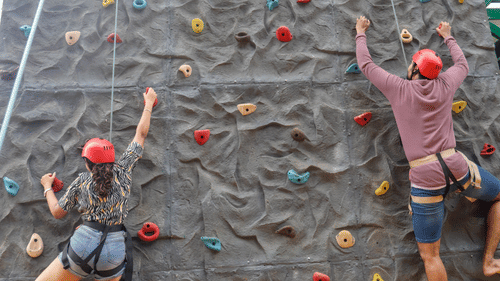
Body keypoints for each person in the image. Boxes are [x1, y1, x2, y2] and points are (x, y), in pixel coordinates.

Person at [355, 16, 500, 280]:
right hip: (457, 166)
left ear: (413, 70)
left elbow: (366, 64)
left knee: (431, 255)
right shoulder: (445, 85)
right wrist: (448, 36)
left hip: (426, 178)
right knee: (498, 195)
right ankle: (489, 261)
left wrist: (360, 32)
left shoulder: (399, 88)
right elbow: (462, 64)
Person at [36, 87, 158, 281]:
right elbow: (140, 135)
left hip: (82, 246)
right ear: (112, 158)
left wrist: (47, 186)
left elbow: (58, 212)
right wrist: (149, 104)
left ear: (87, 163)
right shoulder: (124, 170)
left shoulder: (82, 181)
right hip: (115, 251)